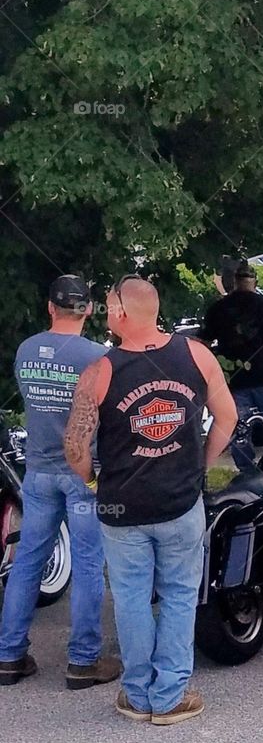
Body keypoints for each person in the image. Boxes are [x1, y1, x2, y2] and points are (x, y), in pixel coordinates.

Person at [64, 276, 237, 725]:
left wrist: (91, 483)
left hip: (122, 506)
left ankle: (138, 695)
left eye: (107, 306)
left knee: (131, 597)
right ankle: (171, 696)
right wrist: (200, 463)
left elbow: (75, 449)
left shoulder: (99, 372)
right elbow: (228, 417)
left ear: (121, 313)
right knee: (180, 596)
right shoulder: (196, 355)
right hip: (181, 502)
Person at [0, 275, 120, 691]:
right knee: (88, 562)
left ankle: (8, 656)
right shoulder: (98, 356)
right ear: (87, 310)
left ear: (50, 307)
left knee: (29, 558)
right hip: (84, 471)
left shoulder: (26, 350)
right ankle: (83, 662)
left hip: (38, 471)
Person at [199, 260, 263, 468]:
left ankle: (248, 473)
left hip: (234, 380)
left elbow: (203, 343)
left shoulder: (218, 308)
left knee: (239, 430)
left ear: (233, 282)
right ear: (255, 281)